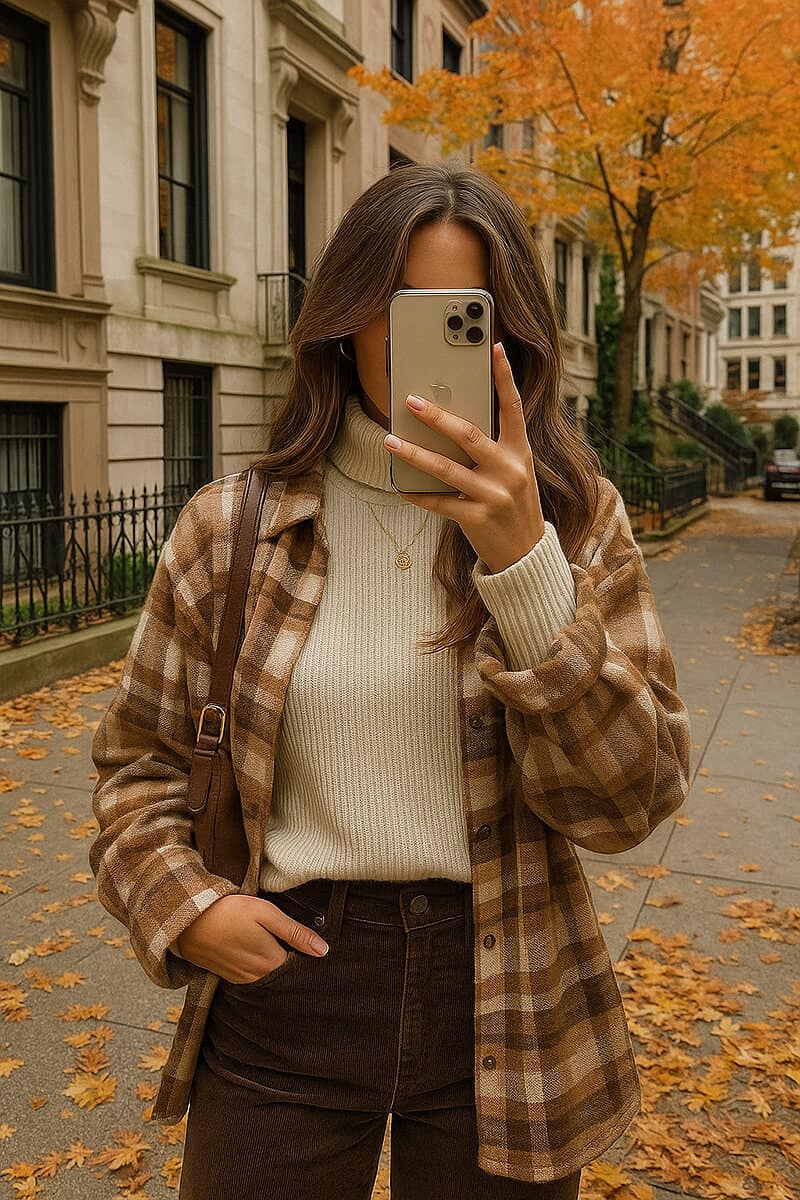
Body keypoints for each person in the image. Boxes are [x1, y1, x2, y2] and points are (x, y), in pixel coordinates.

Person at [89, 162, 692, 1199]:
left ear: (513, 335)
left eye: (466, 314)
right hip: (285, 990)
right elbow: (136, 768)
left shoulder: (575, 520)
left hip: (506, 991)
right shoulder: (232, 529)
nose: (431, 345)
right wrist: (185, 906)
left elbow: (629, 802)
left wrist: (525, 570)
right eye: (400, 307)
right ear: (344, 320)